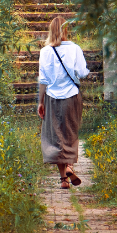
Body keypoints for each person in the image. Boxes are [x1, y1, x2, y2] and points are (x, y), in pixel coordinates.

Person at [37, 16, 90, 189]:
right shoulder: (75, 48)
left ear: (50, 30)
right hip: (72, 97)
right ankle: (69, 166)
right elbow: (82, 73)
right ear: (65, 30)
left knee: (56, 136)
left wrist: (41, 102)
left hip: (52, 97)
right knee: (70, 134)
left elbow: (43, 79)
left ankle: (63, 180)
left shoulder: (45, 51)